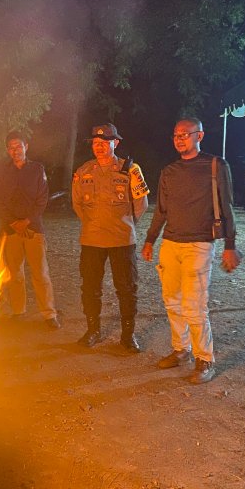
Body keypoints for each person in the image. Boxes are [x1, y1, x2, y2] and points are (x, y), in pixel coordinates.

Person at [141, 117, 242, 384]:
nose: (180, 138)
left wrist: (230, 246)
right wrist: (151, 240)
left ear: (200, 135)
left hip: (199, 244)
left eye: (186, 134)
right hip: (171, 243)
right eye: (176, 134)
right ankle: (181, 349)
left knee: (194, 306)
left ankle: (204, 359)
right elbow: (161, 210)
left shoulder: (214, 165)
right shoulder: (169, 171)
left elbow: (227, 205)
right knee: (172, 301)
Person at [71, 123, 149, 352]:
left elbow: (141, 204)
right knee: (90, 287)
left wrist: (124, 224)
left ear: (115, 143)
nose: (100, 147)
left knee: (126, 288)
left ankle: (127, 335)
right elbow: (77, 204)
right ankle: (92, 330)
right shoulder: (83, 171)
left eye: (105, 143)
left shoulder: (131, 170)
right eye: (96, 143)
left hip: (122, 240)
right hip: (91, 240)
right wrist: (94, 223)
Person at [0, 132, 59, 329]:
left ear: (26, 147)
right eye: (11, 147)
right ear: (7, 150)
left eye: (19, 146)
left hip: (34, 229)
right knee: (15, 273)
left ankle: (49, 314)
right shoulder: (2, 171)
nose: (15, 150)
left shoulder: (37, 169)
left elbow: (42, 199)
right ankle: (18, 311)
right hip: (10, 229)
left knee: (40, 272)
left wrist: (28, 221)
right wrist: (14, 222)